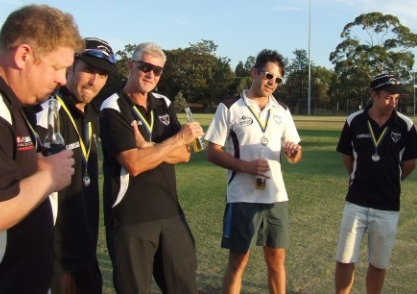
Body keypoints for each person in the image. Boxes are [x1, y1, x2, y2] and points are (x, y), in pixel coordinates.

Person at [0, 4, 83, 293]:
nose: (63, 79)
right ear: (24, 55)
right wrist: (49, 177)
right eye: (57, 67)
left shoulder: (13, 103)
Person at [99, 42, 202, 294]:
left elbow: (185, 156)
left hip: (169, 211)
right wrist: (176, 140)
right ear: (130, 66)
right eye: (145, 67)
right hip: (130, 218)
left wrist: (148, 145)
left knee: (184, 286)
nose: (151, 74)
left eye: (157, 70)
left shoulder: (164, 103)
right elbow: (133, 164)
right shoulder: (112, 106)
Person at [204, 49, 302, 294]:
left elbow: (296, 154)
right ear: (255, 72)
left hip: (276, 197)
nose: (272, 83)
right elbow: (212, 151)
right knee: (238, 262)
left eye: (278, 80)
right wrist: (245, 167)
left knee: (276, 261)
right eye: (269, 76)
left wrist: (293, 153)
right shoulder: (229, 107)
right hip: (242, 197)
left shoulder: (282, 110)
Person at [35, 37, 117, 294]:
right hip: (53, 254)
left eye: (102, 74)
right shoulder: (46, 112)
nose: (95, 81)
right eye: (88, 70)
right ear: (70, 67)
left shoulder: (93, 114)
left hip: (86, 246)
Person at [334, 73, 417, 294]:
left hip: (388, 205)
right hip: (356, 202)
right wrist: (356, 178)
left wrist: (392, 180)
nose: (393, 103)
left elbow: (410, 163)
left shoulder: (406, 126)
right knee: (344, 259)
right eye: (388, 97)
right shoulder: (354, 121)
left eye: (396, 98)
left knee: (378, 264)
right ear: (374, 95)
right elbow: (347, 156)